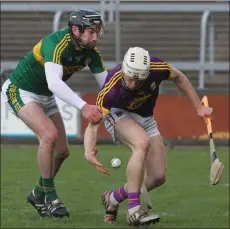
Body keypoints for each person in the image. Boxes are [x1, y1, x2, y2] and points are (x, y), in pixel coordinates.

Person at [83, 47, 213, 226]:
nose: (132, 82)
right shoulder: (112, 85)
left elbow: (180, 77)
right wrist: (89, 150)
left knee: (158, 176)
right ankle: (134, 210)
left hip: (146, 118)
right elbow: (94, 123)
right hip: (120, 114)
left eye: (138, 78)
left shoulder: (157, 68)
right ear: (124, 70)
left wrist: (199, 107)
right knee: (141, 143)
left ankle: (113, 197)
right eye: (129, 77)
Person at [1, 9, 108, 218]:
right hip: (21, 89)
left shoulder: (91, 53)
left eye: (98, 32)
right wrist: (84, 107)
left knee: (62, 151)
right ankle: (50, 196)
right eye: (91, 32)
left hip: (45, 96)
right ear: (75, 30)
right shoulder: (57, 43)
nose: (95, 37)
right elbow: (54, 83)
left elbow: (107, 86)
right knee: (49, 135)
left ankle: (37, 193)